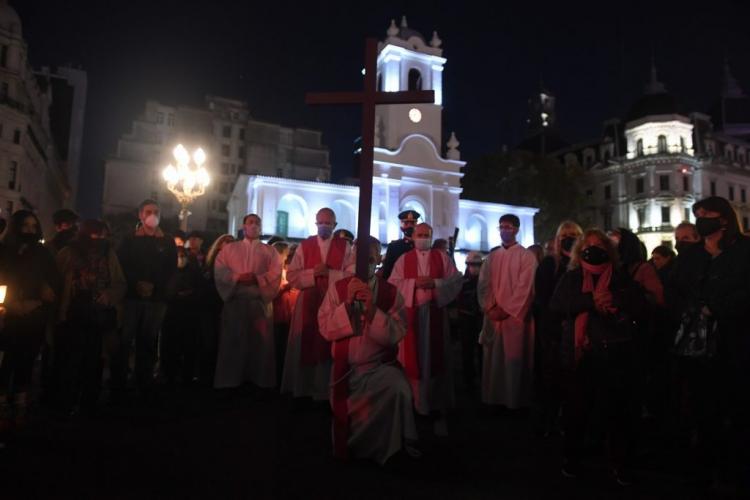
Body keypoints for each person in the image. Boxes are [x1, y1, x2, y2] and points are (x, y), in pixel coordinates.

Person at [550, 229, 647, 485]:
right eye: (588, 245)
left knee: (617, 412)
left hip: (614, 351)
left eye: (599, 245)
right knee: (577, 411)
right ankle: (573, 459)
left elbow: (639, 303)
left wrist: (613, 298)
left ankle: (619, 462)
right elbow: (557, 305)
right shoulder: (571, 278)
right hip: (581, 353)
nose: (593, 249)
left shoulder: (620, 277)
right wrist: (590, 301)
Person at [670, 196, 750, 489]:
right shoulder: (691, 256)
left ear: (724, 219)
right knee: (703, 408)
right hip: (698, 347)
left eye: (707, 213)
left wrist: (718, 307)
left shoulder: (744, 250)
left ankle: (736, 468)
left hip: (736, 341)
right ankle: (704, 465)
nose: (701, 217)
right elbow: (676, 289)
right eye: (698, 213)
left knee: (738, 407)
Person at [319, 236, 418, 464]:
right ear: (353, 257)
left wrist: (372, 311)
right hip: (346, 370)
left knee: (399, 388)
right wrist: (346, 307)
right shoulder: (338, 288)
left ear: (378, 259)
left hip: (378, 369)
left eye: (371, 255)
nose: (366, 260)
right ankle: (350, 449)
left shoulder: (391, 292)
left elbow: (397, 332)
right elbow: (324, 326)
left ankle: (389, 449)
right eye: (360, 255)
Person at [388, 222, 462, 435]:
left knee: (435, 360)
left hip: (435, 315)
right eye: (419, 235)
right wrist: (414, 284)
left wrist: (436, 284)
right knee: (414, 360)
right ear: (413, 237)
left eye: (426, 235)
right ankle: (413, 402)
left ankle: (435, 404)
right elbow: (393, 283)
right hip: (412, 317)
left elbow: (456, 280)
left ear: (431, 236)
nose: (423, 238)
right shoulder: (404, 259)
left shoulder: (442, 257)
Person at [281, 208, 352, 401]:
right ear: (315, 223)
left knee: (327, 347)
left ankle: (324, 392)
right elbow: (292, 276)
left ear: (335, 225)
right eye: (321, 222)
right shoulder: (305, 245)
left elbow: (351, 274)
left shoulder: (345, 247)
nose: (324, 226)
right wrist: (313, 273)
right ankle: (303, 390)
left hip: (333, 302)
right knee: (306, 342)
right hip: (308, 302)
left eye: (328, 223)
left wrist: (330, 273)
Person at [55, 219, 126, 415]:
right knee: (71, 358)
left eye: (103, 235)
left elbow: (119, 283)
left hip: (99, 314)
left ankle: (89, 401)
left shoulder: (108, 254)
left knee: (95, 359)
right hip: (74, 312)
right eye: (97, 234)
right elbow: (57, 283)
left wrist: (109, 295)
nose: (100, 239)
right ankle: (66, 400)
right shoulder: (68, 253)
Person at [0, 210, 62, 429]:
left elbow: (53, 282)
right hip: (7, 316)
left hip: (34, 315)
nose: (29, 230)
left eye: (33, 226)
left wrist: (38, 301)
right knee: (6, 360)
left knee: (26, 359)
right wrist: (9, 304)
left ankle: (20, 402)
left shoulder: (43, 253)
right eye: (24, 225)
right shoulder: (4, 250)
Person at [115, 200, 177, 397]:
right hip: (132, 298)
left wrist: (156, 287)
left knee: (148, 340)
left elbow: (171, 270)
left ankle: (144, 379)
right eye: (149, 211)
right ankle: (119, 381)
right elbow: (121, 266)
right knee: (125, 340)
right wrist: (136, 284)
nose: (153, 215)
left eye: (156, 212)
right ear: (140, 215)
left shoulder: (167, 241)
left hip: (156, 300)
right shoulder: (129, 239)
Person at [477, 214, 538, 411]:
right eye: (502, 226)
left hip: (515, 319)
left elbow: (525, 288)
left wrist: (507, 309)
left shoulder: (526, 257)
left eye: (509, 227)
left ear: (517, 229)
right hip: (494, 317)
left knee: (514, 360)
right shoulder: (492, 257)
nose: (505, 230)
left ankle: (514, 403)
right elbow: (483, 285)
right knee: (493, 362)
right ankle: (492, 399)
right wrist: (489, 307)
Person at [213, 215, 281, 390]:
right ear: (244, 226)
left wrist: (257, 278)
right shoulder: (229, 249)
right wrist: (237, 277)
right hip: (236, 302)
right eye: (250, 222)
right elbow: (220, 271)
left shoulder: (270, 251)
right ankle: (230, 381)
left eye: (257, 222)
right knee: (233, 343)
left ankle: (259, 380)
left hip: (259, 303)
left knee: (260, 344)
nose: (254, 225)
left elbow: (276, 273)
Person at [533, 220, 582, 435]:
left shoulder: (582, 265)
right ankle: (549, 420)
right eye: (564, 235)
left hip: (577, 329)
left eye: (573, 234)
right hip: (553, 330)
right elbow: (542, 299)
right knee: (551, 377)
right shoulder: (548, 265)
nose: (568, 238)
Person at [161, 230, 206, 387]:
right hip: (172, 313)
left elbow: (201, 289)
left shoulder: (194, 271)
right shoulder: (169, 271)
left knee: (189, 347)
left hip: (190, 314)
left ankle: (187, 375)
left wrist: (191, 293)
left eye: (183, 257)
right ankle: (169, 375)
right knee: (170, 346)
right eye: (178, 257)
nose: (180, 259)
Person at [200, 234, 235, 386]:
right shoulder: (211, 262)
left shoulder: (235, 264)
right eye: (225, 242)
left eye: (231, 243)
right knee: (210, 342)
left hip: (227, 306)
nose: (228, 245)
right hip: (211, 307)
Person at [272, 241, 299, 386]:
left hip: (289, 313)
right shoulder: (275, 271)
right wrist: (285, 287)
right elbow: (271, 292)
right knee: (279, 345)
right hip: (279, 313)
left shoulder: (287, 270)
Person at [456, 251, 484, 390]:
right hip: (467, 319)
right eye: (472, 264)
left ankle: (483, 378)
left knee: (483, 351)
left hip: (481, 320)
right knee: (467, 351)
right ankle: (469, 380)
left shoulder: (485, 281)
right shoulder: (462, 282)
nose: (474, 267)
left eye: (477, 265)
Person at [381, 210, 420, 280]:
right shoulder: (394, 247)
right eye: (406, 223)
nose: (410, 226)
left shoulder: (422, 245)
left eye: (412, 223)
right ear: (401, 227)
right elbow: (387, 272)